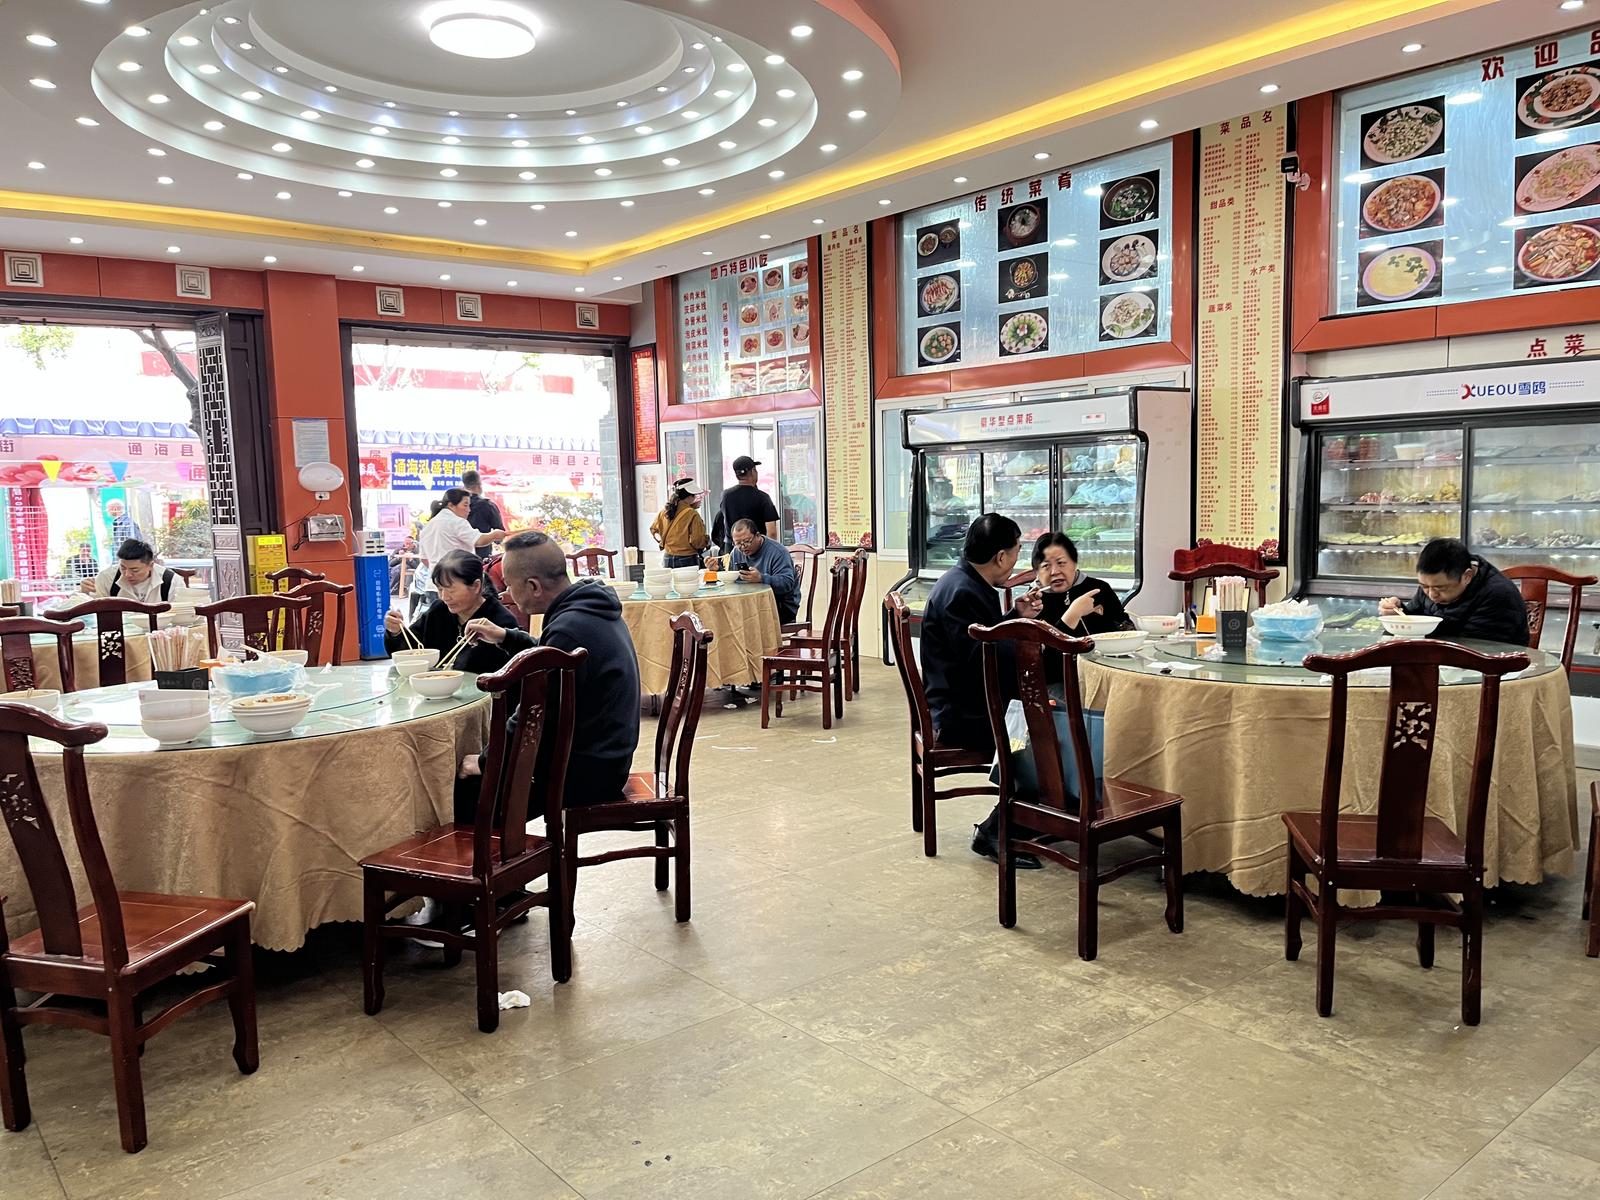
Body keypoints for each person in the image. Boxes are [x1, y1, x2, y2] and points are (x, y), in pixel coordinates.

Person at [459, 530, 641, 821]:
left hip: (586, 774)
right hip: (606, 759)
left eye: (509, 586)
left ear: (533, 586)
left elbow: (533, 715)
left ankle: (496, 853)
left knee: (464, 791)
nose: (506, 594)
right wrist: (506, 636)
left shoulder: (569, 629)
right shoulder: (588, 608)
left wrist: (485, 761)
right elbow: (550, 657)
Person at [918, 514, 1045, 867]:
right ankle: (997, 830)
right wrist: (1029, 639)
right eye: (1016, 553)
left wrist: (1015, 617)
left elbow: (982, 642)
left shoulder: (964, 582)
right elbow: (982, 662)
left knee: (1044, 723)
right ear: (1001, 557)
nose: (1016, 561)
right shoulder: (963, 592)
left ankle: (1027, 819)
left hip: (960, 699)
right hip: (962, 714)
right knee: (1045, 738)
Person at [384, 550, 519, 676]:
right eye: (440, 589)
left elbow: (503, 676)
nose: (444, 597)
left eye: (451, 590)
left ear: (476, 586)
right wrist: (396, 632)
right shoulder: (438, 610)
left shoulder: (500, 621)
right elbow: (413, 652)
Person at [1379, 537, 1529, 647]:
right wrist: (1399, 613)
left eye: (1441, 588)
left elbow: (1475, 647)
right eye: (1424, 586)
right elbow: (1416, 617)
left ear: (1467, 576)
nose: (1431, 594)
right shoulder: (1433, 584)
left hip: (1492, 669)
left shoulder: (1498, 594)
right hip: (1442, 662)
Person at [417, 488, 504, 616]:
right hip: (456, 588)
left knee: (439, 624)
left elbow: (424, 560)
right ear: (451, 505)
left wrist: (439, 571)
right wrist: (495, 534)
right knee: (463, 624)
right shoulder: (456, 522)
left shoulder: (428, 526)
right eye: (465, 505)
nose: (469, 510)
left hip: (433, 586)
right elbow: (479, 540)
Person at [1032, 533, 1133, 637]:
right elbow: (1045, 646)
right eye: (1046, 565)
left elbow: (1126, 629)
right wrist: (1073, 614)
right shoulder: (1033, 603)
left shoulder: (1099, 588)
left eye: (1061, 563)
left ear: (1075, 564)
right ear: (1036, 571)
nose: (1055, 571)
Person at [727, 518, 801, 625]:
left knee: (741, 619)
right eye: (738, 543)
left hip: (779, 605)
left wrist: (761, 578)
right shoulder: (736, 552)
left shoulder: (778, 552)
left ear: (757, 536)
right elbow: (730, 580)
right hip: (749, 603)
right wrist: (717, 568)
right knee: (726, 615)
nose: (743, 547)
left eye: (747, 541)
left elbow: (786, 583)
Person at [79, 538, 182, 603]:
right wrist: (84, 593)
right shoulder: (107, 578)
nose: (127, 574)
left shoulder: (172, 581)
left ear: (150, 565)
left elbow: (182, 615)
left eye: (135, 570)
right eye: (123, 568)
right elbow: (89, 609)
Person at [711, 456, 780, 548]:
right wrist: (768, 551)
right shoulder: (763, 497)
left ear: (737, 475)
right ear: (753, 471)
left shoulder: (725, 496)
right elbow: (771, 532)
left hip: (733, 548)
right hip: (756, 549)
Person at [650, 484, 710, 568]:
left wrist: (662, 542)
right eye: (694, 495)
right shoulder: (692, 514)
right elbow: (697, 541)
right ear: (689, 497)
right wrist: (706, 541)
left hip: (667, 557)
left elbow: (654, 530)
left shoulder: (664, 512)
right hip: (687, 559)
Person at [460, 469, 504, 561]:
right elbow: (499, 533)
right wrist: (497, 541)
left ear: (464, 485)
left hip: (457, 557)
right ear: (479, 484)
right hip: (481, 558)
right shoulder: (488, 505)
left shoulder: (454, 505)